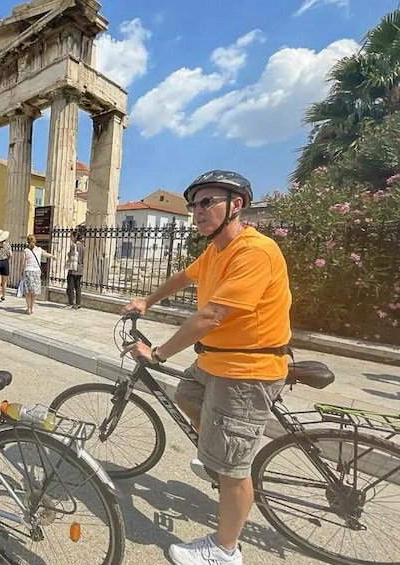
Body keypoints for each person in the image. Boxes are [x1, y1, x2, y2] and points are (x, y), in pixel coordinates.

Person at [121, 170, 291, 565]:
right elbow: (183, 277)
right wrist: (147, 302)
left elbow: (212, 315)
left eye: (207, 202)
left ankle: (225, 549)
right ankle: (217, 452)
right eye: (193, 204)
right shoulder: (216, 250)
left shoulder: (254, 251)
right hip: (215, 362)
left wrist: (158, 354)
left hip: (245, 373)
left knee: (233, 468)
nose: (197, 212)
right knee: (186, 393)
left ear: (237, 206)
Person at [20, 234, 56, 315]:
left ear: (27, 241)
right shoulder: (39, 250)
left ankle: (28, 308)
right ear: (35, 241)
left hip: (28, 271)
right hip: (36, 272)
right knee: (34, 291)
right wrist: (53, 256)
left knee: (28, 292)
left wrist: (21, 272)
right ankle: (32, 308)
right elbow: (47, 254)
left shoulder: (25, 251)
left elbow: (23, 263)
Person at [66, 229, 85, 309]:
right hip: (80, 268)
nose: (71, 238)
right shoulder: (83, 246)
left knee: (70, 286)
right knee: (78, 286)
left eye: (71, 236)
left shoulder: (74, 246)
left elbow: (71, 256)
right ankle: (78, 303)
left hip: (73, 268)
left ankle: (71, 303)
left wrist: (68, 255)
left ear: (75, 236)